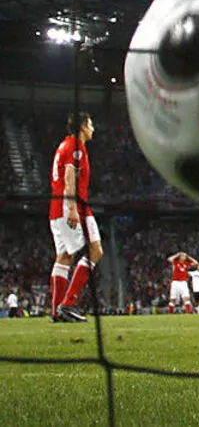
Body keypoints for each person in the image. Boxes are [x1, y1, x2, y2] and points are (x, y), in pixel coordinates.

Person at [48, 112, 103, 323]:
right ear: (82, 127)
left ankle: (56, 311)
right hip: (71, 205)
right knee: (95, 250)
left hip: (57, 206)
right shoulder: (75, 147)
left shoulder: (64, 145)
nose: (93, 129)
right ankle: (68, 303)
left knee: (64, 256)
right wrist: (71, 207)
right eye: (90, 124)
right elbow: (70, 175)